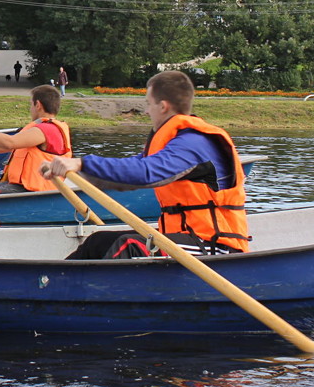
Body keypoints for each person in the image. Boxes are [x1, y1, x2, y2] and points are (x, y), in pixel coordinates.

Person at [41, 69, 249, 257]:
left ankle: (93, 287)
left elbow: (146, 173)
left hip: (213, 244)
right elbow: (128, 174)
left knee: (129, 245)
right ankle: (57, 282)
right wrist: (73, 169)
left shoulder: (193, 143)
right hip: (184, 236)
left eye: (149, 104)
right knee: (99, 241)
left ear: (163, 106)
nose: (147, 111)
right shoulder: (175, 143)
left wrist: (83, 163)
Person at [0, 84, 70, 194]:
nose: (30, 108)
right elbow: (2, 148)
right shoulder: (39, 129)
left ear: (38, 105)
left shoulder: (48, 129)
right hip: (20, 185)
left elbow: (9, 142)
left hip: (32, 190)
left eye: (31, 104)